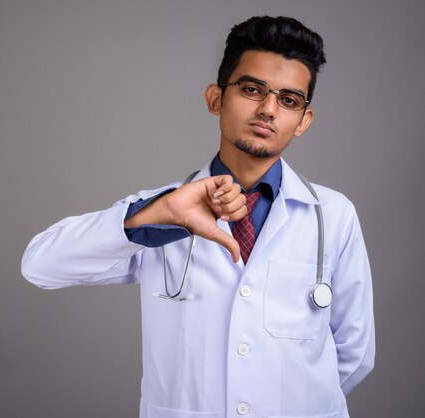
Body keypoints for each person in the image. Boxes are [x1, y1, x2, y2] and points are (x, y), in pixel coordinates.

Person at [22, 16, 374, 418]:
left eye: (289, 100)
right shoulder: (159, 210)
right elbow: (40, 266)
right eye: (251, 89)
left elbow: (353, 351)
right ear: (215, 99)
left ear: (303, 122)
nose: (268, 109)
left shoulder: (333, 216)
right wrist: (157, 214)